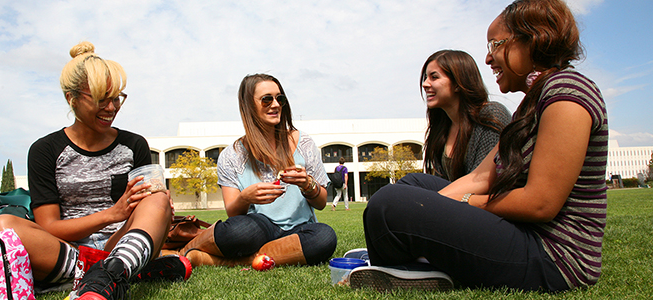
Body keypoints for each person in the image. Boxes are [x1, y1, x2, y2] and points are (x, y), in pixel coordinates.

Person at [348, 0, 607, 293]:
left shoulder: (567, 92)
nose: (488, 58)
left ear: (534, 39)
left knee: (388, 204)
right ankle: (417, 259)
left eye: (496, 45)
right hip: (523, 235)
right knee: (408, 189)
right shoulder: (532, 103)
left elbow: (541, 203)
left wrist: (460, 205)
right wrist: (424, 212)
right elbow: (481, 177)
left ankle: (412, 264)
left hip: (554, 257)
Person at [0, 41, 190, 300]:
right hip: (68, 250)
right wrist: (111, 213)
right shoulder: (45, 150)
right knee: (2, 224)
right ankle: (123, 271)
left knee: (159, 198)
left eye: (116, 97)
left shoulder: (134, 144)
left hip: (121, 241)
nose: (112, 108)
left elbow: (149, 213)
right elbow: (49, 227)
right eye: (100, 99)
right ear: (70, 98)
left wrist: (158, 209)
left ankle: (107, 276)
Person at [178, 73, 337, 267]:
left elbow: (320, 203)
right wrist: (246, 198)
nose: (276, 104)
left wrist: (307, 184)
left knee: (324, 237)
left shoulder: (303, 143)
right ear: (249, 106)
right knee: (239, 231)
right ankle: (183, 253)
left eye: (280, 98)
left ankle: (233, 261)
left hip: (300, 230)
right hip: (259, 227)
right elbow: (233, 213)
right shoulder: (232, 155)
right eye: (266, 99)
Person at [421, 50, 512, 181]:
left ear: (458, 83)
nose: (425, 84)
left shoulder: (490, 116)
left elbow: (483, 182)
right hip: (450, 198)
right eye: (425, 78)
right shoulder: (442, 129)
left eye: (434, 77)